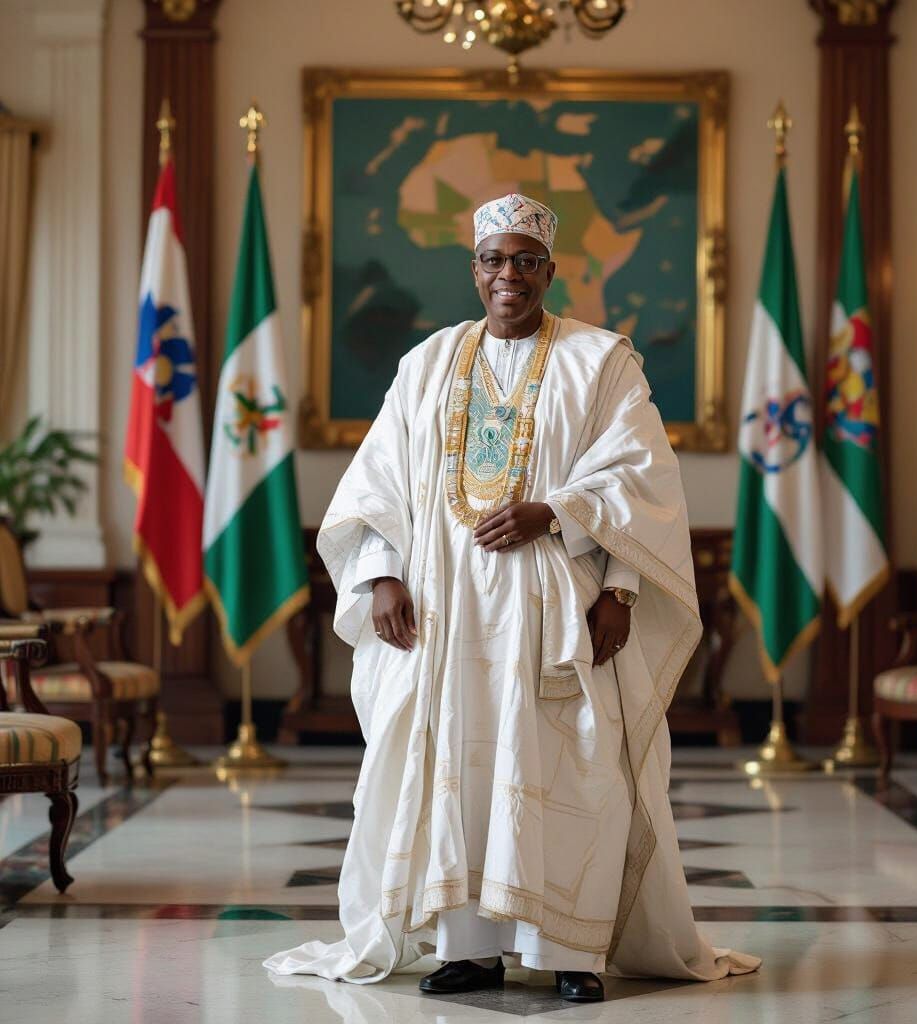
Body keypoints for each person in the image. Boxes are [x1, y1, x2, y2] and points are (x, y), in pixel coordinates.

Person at [264, 193, 759, 1001]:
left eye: (526, 261)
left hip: (557, 611)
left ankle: (570, 954)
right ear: (474, 268)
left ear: (550, 271)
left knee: (572, 771)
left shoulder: (600, 362)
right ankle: (471, 948)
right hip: (445, 614)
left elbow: (642, 484)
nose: (509, 276)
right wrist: (382, 573)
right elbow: (377, 481)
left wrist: (601, 569)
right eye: (494, 260)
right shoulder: (425, 365)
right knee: (458, 768)